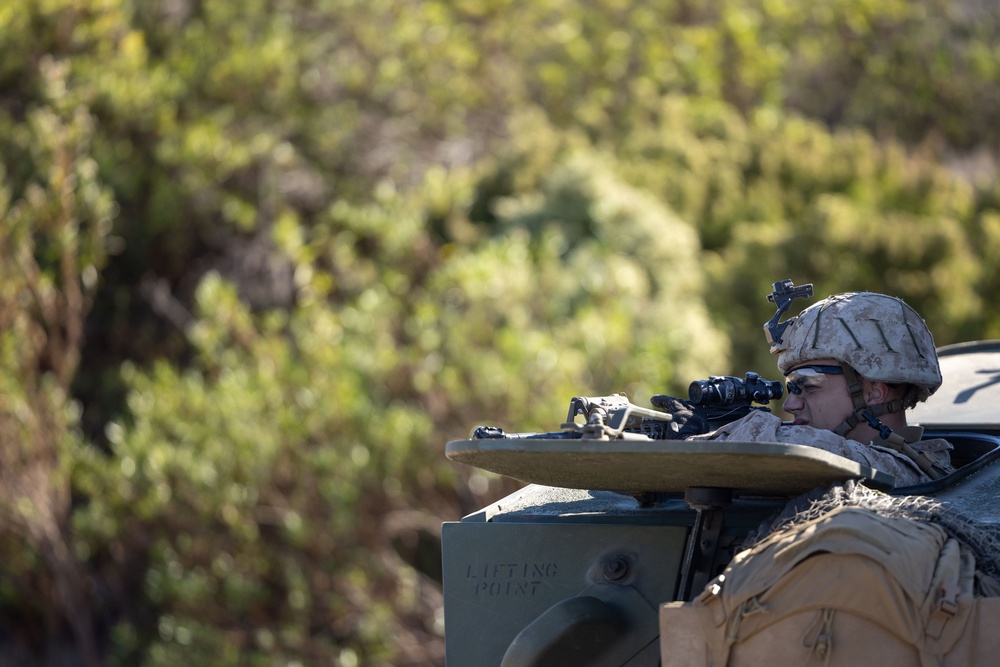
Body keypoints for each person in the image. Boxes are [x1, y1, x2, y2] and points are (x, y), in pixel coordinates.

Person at [656, 286, 954, 487]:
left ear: (873, 390)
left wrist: (698, 442)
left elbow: (808, 450)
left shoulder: (914, 472)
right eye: (790, 386)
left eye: (809, 385)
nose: (790, 404)